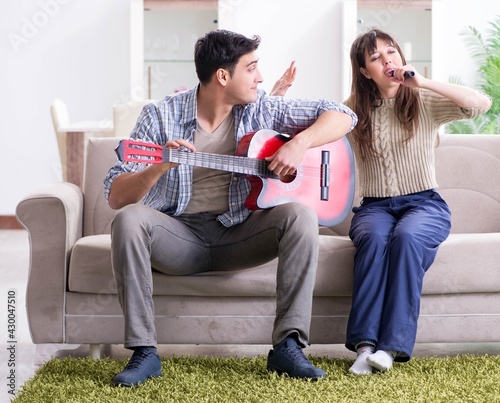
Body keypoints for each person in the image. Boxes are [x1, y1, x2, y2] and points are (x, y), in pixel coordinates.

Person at [103, 29, 357, 387]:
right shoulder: (159, 116)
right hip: (179, 238)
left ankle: (287, 347)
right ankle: (144, 352)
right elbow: (116, 196)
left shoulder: (261, 108)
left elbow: (343, 115)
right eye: (251, 68)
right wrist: (159, 166)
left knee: (300, 215)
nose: (261, 77)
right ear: (223, 76)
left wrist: (299, 145)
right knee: (129, 219)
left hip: (240, 234)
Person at [343, 29, 492, 375]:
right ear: (365, 71)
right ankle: (364, 347)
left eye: (391, 52)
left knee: (407, 238)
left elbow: (479, 103)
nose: (387, 61)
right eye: (376, 58)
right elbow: (314, 126)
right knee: (373, 237)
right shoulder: (352, 110)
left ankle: (390, 348)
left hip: (425, 204)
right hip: (374, 206)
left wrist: (422, 82)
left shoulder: (422, 100)